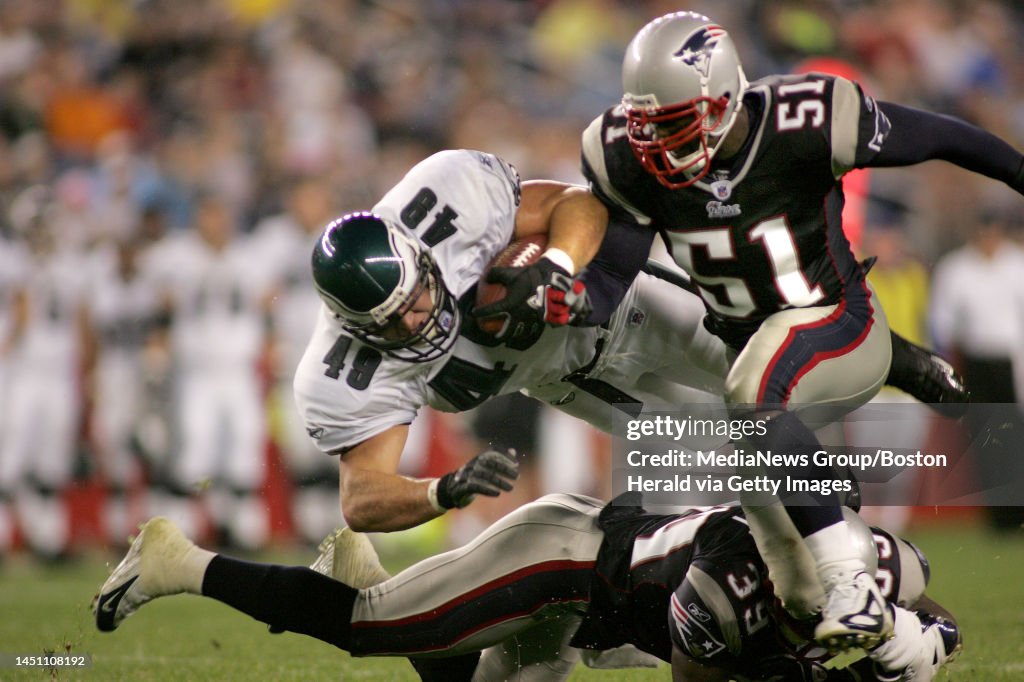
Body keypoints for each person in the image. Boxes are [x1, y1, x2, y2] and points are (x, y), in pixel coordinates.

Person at [567, 9, 1018, 651]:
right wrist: (572, 299)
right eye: (645, 129)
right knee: (789, 575)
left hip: (837, 323)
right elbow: (615, 268)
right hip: (750, 348)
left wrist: (1019, 172)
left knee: (752, 399)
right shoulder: (624, 156)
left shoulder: (803, 119)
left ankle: (853, 585)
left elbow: (939, 136)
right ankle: (911, 646)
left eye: (673, 126)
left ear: (722, 98)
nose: (657, 147)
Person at [292, 148, 728, 537]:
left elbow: (574, 203)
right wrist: (443, 490)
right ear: (356, 328)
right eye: (390, 324)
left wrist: (556, 267)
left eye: (414, 297)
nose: (413, 322)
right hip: (575, 382)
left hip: (626, 304)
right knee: (725, 445)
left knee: (761, 372)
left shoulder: (444, 198)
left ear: (421, 256)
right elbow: (360, 497)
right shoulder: (345, 369)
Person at [93, 494, 961, 682]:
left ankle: (372, 574)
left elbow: (935, 613)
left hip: (603, 598)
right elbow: (698, 679)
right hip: (562, 564)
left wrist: (927, 641)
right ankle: (181, 562)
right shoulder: (731, 593)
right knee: (368, 627)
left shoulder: (884, 570)